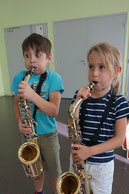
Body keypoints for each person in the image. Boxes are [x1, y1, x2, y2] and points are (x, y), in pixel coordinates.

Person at [70, 42, 129, 194]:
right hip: (78, 159)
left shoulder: (120, 102)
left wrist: (89, 151)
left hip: (101, 167)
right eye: (91, 67)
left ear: (117, 71)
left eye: (101, 67)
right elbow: (73, 123)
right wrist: (78, 102)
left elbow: (119, 138)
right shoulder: (80, 95)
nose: (94, 73)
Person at [11, 33, 64, 194]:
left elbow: (54, 111)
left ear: (49, 57)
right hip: (28, 135)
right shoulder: (20, 77)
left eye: (37, 55)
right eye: (27, 55)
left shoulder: (54, 78)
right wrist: (19, 121)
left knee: (55, 171)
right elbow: (16, 105)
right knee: (35, 170)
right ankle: (38, 191)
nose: (31, 60)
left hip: (48, 134)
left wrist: (32, 95)